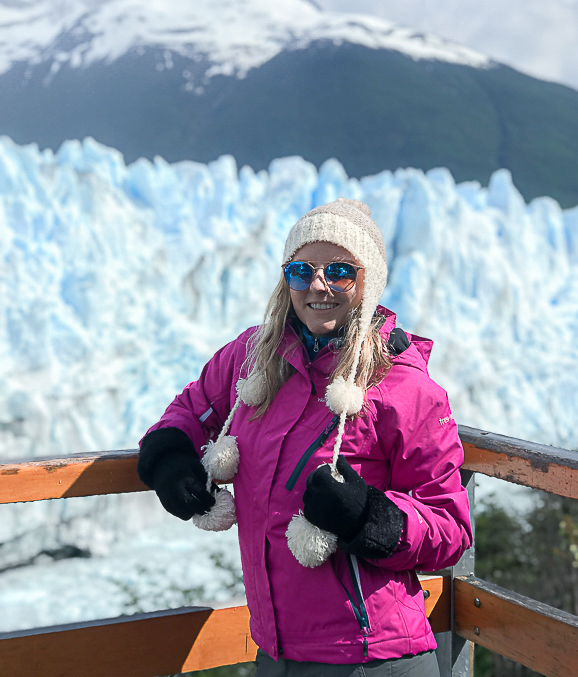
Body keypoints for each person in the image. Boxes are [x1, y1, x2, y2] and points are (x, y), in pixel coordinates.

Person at [137, 198, 472, 677]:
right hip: (275, 650)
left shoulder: (404, 386)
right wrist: (170, 459)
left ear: (367, 282)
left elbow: (451, 528)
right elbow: (191, 409)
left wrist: (368, 517)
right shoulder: (253, 356)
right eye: (301, 270)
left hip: (369, 656)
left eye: (339, 271)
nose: (318, 286)